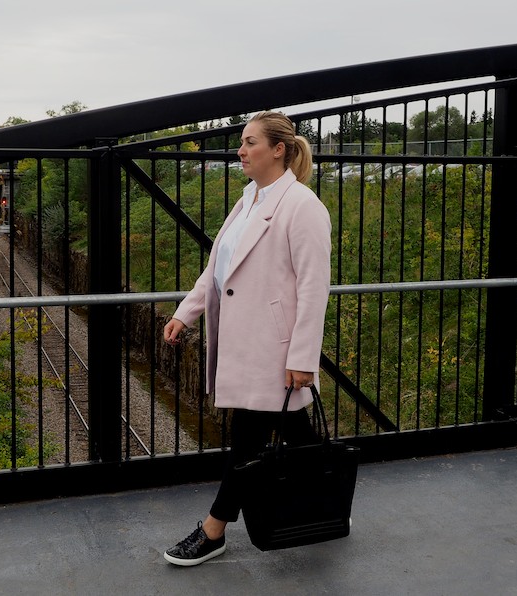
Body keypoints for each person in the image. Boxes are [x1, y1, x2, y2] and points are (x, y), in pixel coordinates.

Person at [162, 111, 332, 566]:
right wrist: (186, 312)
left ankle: (214, 530)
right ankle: (328, 504)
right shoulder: (249, 200)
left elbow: (314, 288)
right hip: (245, 343)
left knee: (247, 438)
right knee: (298, 436)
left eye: (250, 141)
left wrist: (303, 358)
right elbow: (219, 269)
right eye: (242, 141)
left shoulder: (303, 206)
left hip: (272, 350)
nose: (241, 150)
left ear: (278, 149)